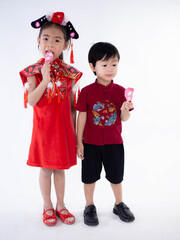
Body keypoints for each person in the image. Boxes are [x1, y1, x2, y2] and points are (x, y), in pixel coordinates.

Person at [19, 11, 82, 226]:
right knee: (46, 169)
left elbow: (73, 108)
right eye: (45, 38)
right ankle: (47, 206)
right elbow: (32, 101)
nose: (50, 44)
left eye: (57, 40)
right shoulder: (33, 71)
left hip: (63, 130)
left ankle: (61, 205)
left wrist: (75, 136)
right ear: (38, 41)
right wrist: (45, 79)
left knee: (61, 170)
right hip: (44, 130)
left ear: (65, 45)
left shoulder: (70, 73)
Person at [76, 42, 135, 226]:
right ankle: (89, 205)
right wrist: (79, 142)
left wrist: (125, 108)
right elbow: (82, 118)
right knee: (89, 177)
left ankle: (119, 204)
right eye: (104, 64)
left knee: (116, 177)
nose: (110, 69)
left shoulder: (121, 92)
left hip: (114, 143)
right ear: (92, 66)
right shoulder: (86, 92)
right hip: (91, 143)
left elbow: (124, 118)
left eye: (114, 64)